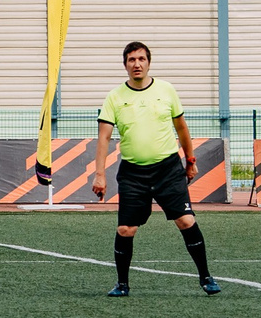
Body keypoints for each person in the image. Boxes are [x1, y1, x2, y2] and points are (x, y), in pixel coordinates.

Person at [89, 41, 218, 297]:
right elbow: (103, 137)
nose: (136, 64)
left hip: (168, 170)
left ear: (149, 62)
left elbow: (181, 128)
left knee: (185, 220)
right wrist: (100, 174)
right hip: (133, 173)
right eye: (131, 60)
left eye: (141, 59)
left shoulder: (166, 90)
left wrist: (190, 161)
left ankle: (206, 277)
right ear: (125, 65)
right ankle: (122, 284)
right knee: (126, 229)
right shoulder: (115, 97)